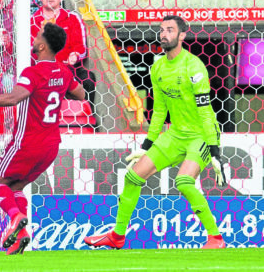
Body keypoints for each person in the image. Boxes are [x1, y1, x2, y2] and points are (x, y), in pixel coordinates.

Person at [84, 15, 227, 250]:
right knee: (132, 177)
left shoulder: (194, 67)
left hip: (200, 134)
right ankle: (118, 236)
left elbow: (205, 110)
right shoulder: (158, 67)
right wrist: (147, 145)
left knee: (183, 181)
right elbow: (159, 111)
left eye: (170, 30)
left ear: (182, 35)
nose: (164, 34)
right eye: (161, 30)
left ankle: (215, 238)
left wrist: (214, 150)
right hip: (175, 134)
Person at [0, 23, 85, 255]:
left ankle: (16, 218)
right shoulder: (64, 72)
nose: (34, 38)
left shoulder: (33, 73)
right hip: (51, 145)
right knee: (17, 186)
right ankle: (22, 234)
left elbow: (13, 99)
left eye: (37, 36)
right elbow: (81, 94)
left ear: (42, 45)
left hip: (27, 142)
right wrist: (59, 86)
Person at [30, 0, 96, 109]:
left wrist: (75, 55)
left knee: (88, 78)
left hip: (70, 70)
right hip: (42, 72)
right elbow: (31, 50)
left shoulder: (72, 18)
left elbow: (81, 47)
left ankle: (87, 118)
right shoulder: (32, 21)